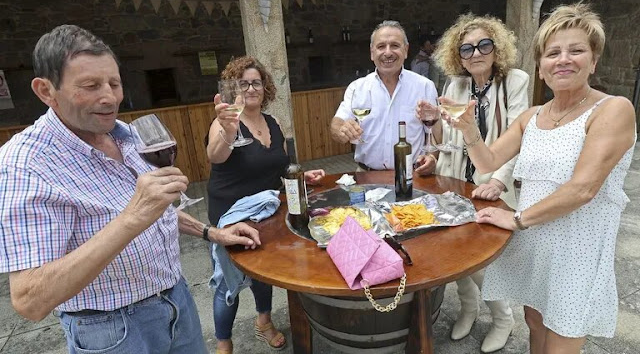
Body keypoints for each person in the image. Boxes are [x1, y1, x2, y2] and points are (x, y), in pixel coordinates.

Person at [0, 25, 261, 354]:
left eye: (114, 83)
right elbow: (29, 300)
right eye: (91, 86)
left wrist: (211, 232)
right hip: (110, 329)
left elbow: (157, 208)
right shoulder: (24, 165)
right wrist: (132, 216)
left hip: (176, 298)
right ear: (46, 91)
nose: (109, 96)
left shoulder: (126, 133)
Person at [448, 3, 636, 354]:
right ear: (541, 67)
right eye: (553, 53)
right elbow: (488, 160)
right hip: (536, 246)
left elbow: (583, 189)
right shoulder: (532, 116)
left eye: (576, 50)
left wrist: (515, 218)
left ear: (593, 61)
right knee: (535, 329)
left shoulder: (613, 109)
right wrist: (469, 130)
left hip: (576, 253)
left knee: (561, 343)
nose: (563, 59)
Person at [417, 14, 530, 352]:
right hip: (456, 183)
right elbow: (445, 138)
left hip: (489, 184)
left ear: (497, 48)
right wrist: (433, 121)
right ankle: (467, 310)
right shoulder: (456, 85)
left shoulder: (515, 82)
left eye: (484, 45)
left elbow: (517, 138)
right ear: (458, 55)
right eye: (466, 49)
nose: (475, 54)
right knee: (457, 254)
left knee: (482, 261)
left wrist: (497, 181)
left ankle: (502, 319)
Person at [206, 55, 324, 354]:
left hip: (264, 212)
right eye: (243, 83)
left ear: (264, 87)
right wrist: (228, 130)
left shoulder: (272, 122)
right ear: (234, 89)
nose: (250, 88)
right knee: (227, 282)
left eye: (256, 82)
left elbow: (281, 167)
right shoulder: (225, 122)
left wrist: (301, 177)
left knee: (264, 270)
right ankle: (224, 343)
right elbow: (215, 156)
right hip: (230, 214)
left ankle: (264, 321)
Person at [331, 20, 438, 175]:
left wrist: (432, 158)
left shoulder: (425, 86)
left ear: (406, 50)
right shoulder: (357, 88)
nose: (388, 52)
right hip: (366, 177)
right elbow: (337, 123)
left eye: (395, 45)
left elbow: (434, 134)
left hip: (413, 176)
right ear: (372, 52)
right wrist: (342, 130)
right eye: (381, 46)